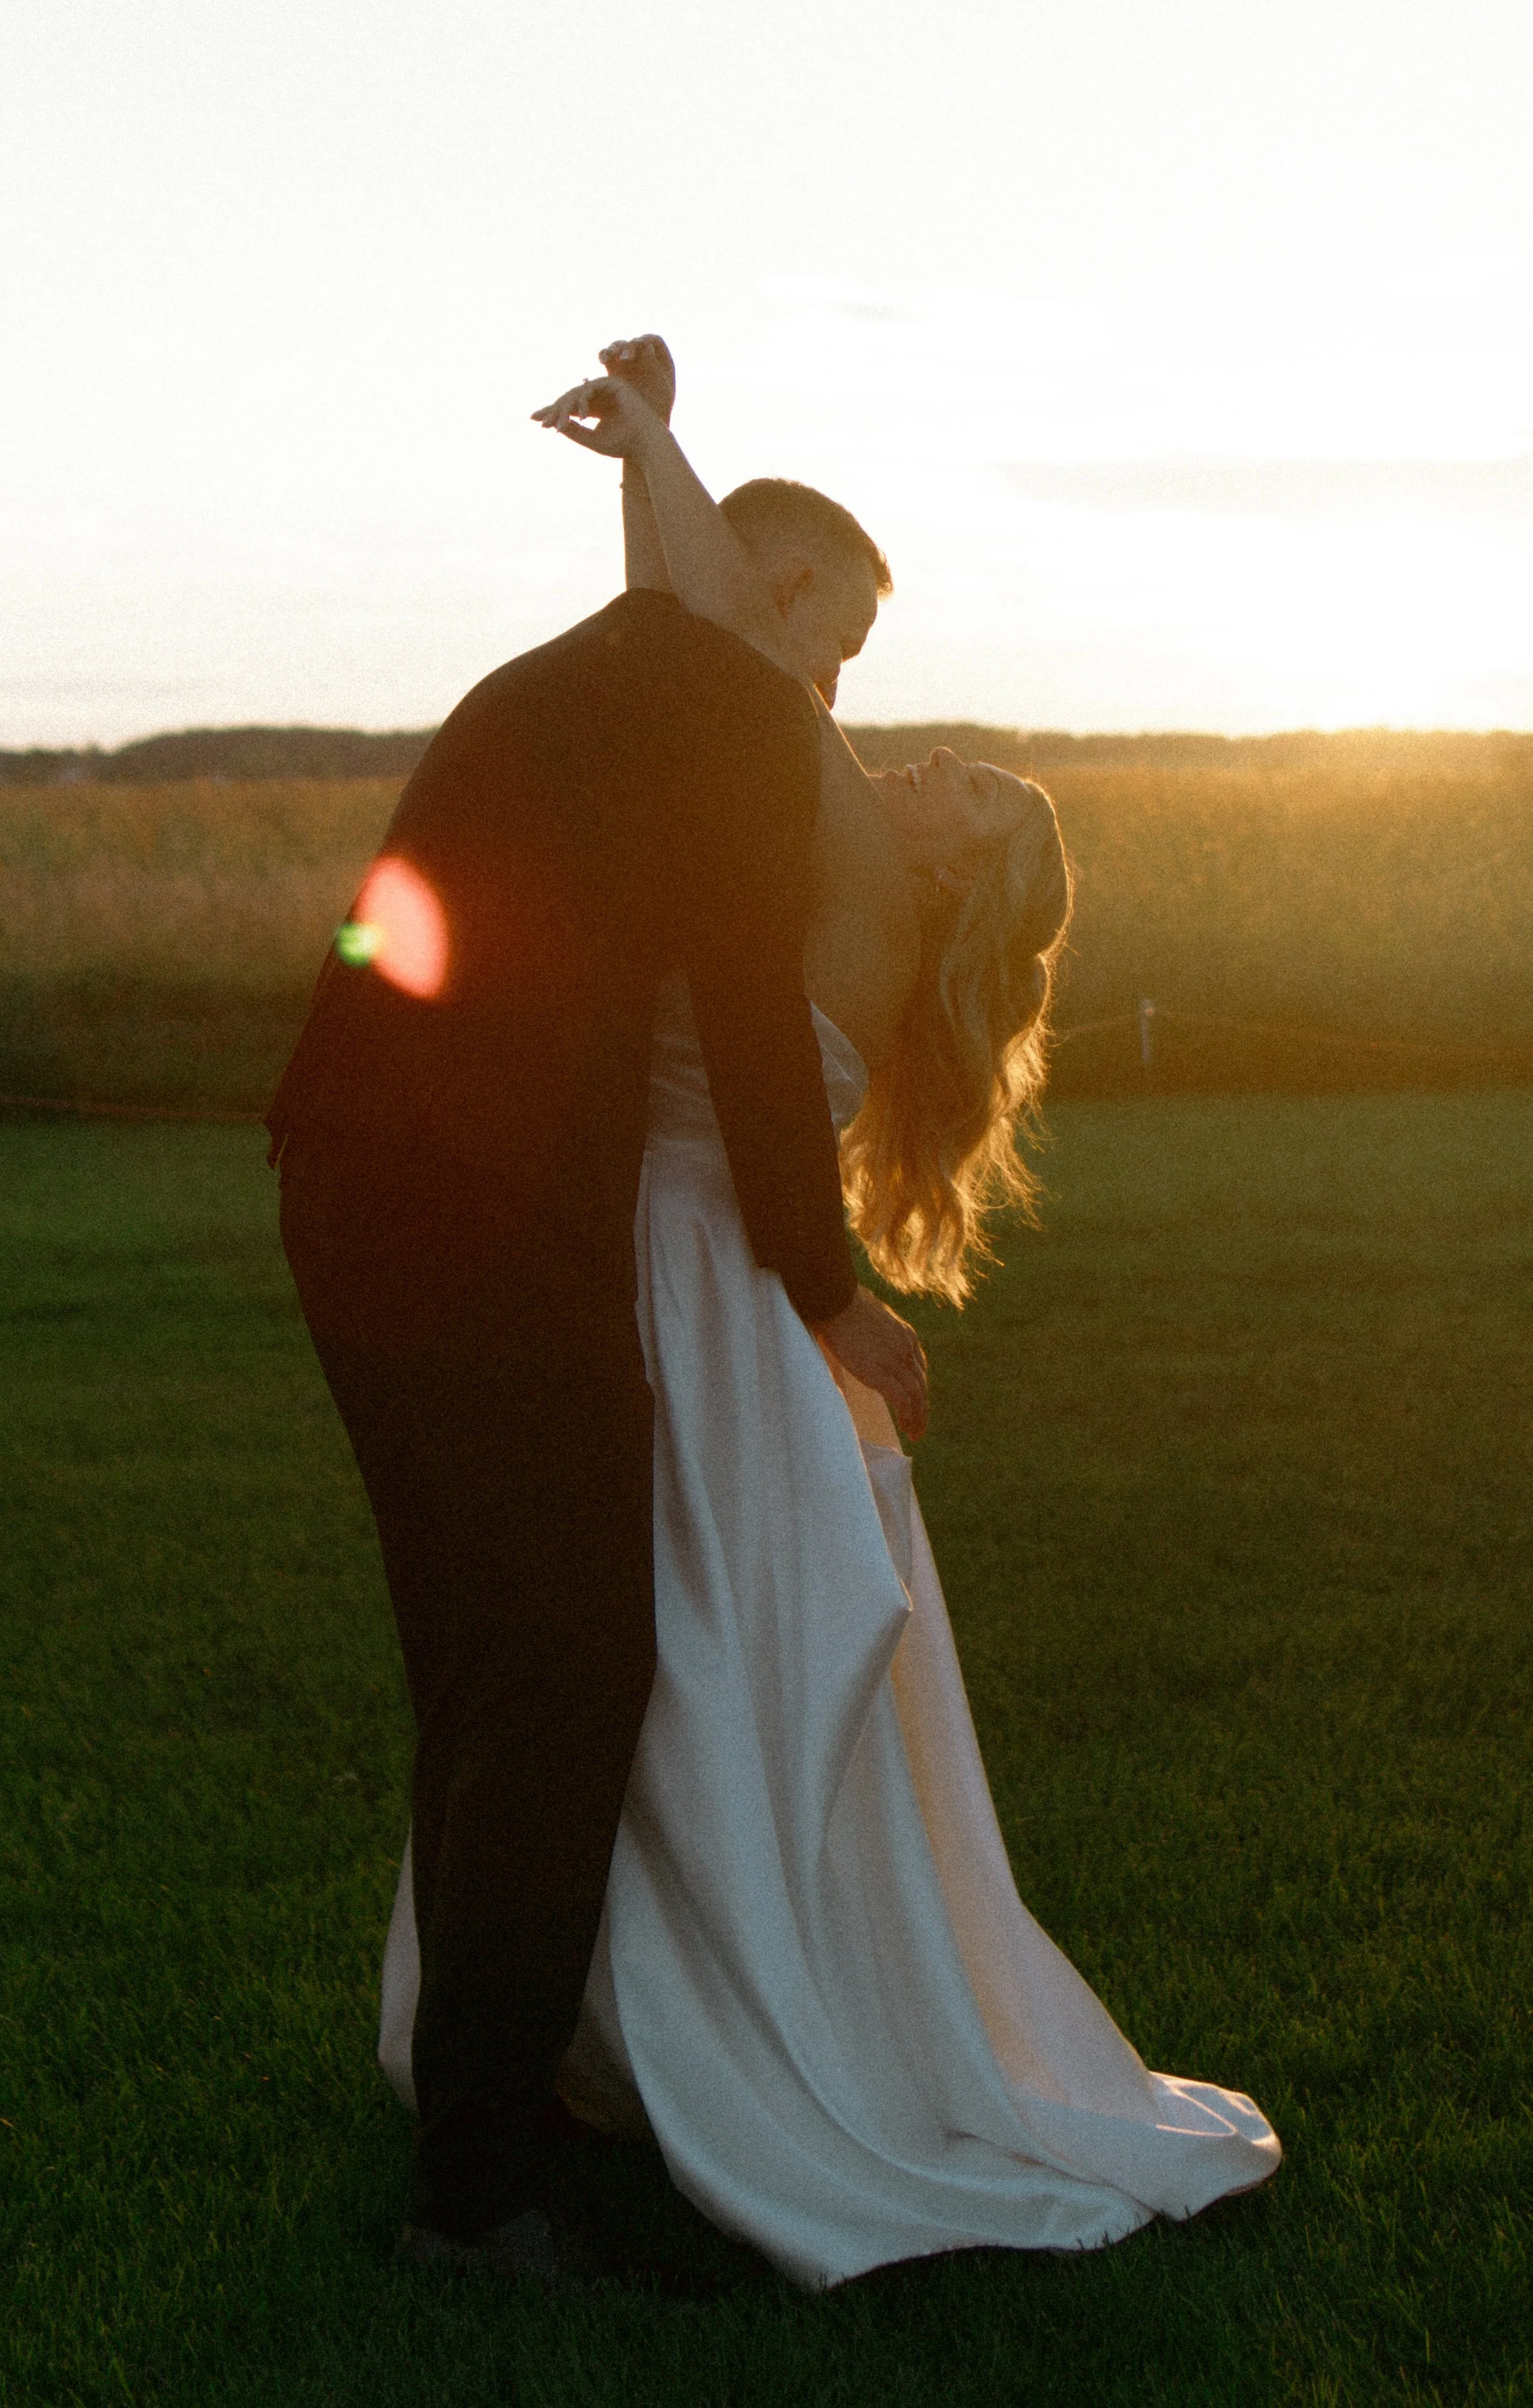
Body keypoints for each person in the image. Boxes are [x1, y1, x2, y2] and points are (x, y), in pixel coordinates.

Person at [376, 340, 1282, 2289]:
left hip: (694, 1281)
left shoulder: (853, 873)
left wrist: (659, 444)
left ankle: (689, 2044)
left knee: (666, 1668)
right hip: (646, 1255)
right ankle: (591, 2044)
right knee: (629, 1669)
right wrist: (651, 475)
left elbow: (717, 643)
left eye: (972, 789)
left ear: (968, 873)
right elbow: (687, 653)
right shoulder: (801, 821)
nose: (916, 753)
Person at [268, 449, 929, 2280]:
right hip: (484, 1215)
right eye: (836, 643)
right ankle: (481, 2191)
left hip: (341, 1168)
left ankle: (495, 2093)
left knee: (476, 1661)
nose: (831, 693)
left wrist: (650, 439)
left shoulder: (578, 673)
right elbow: (751, 1017)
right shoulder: (731, 715)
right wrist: (828, 1291)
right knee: (570, 1668)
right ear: (773, 597)